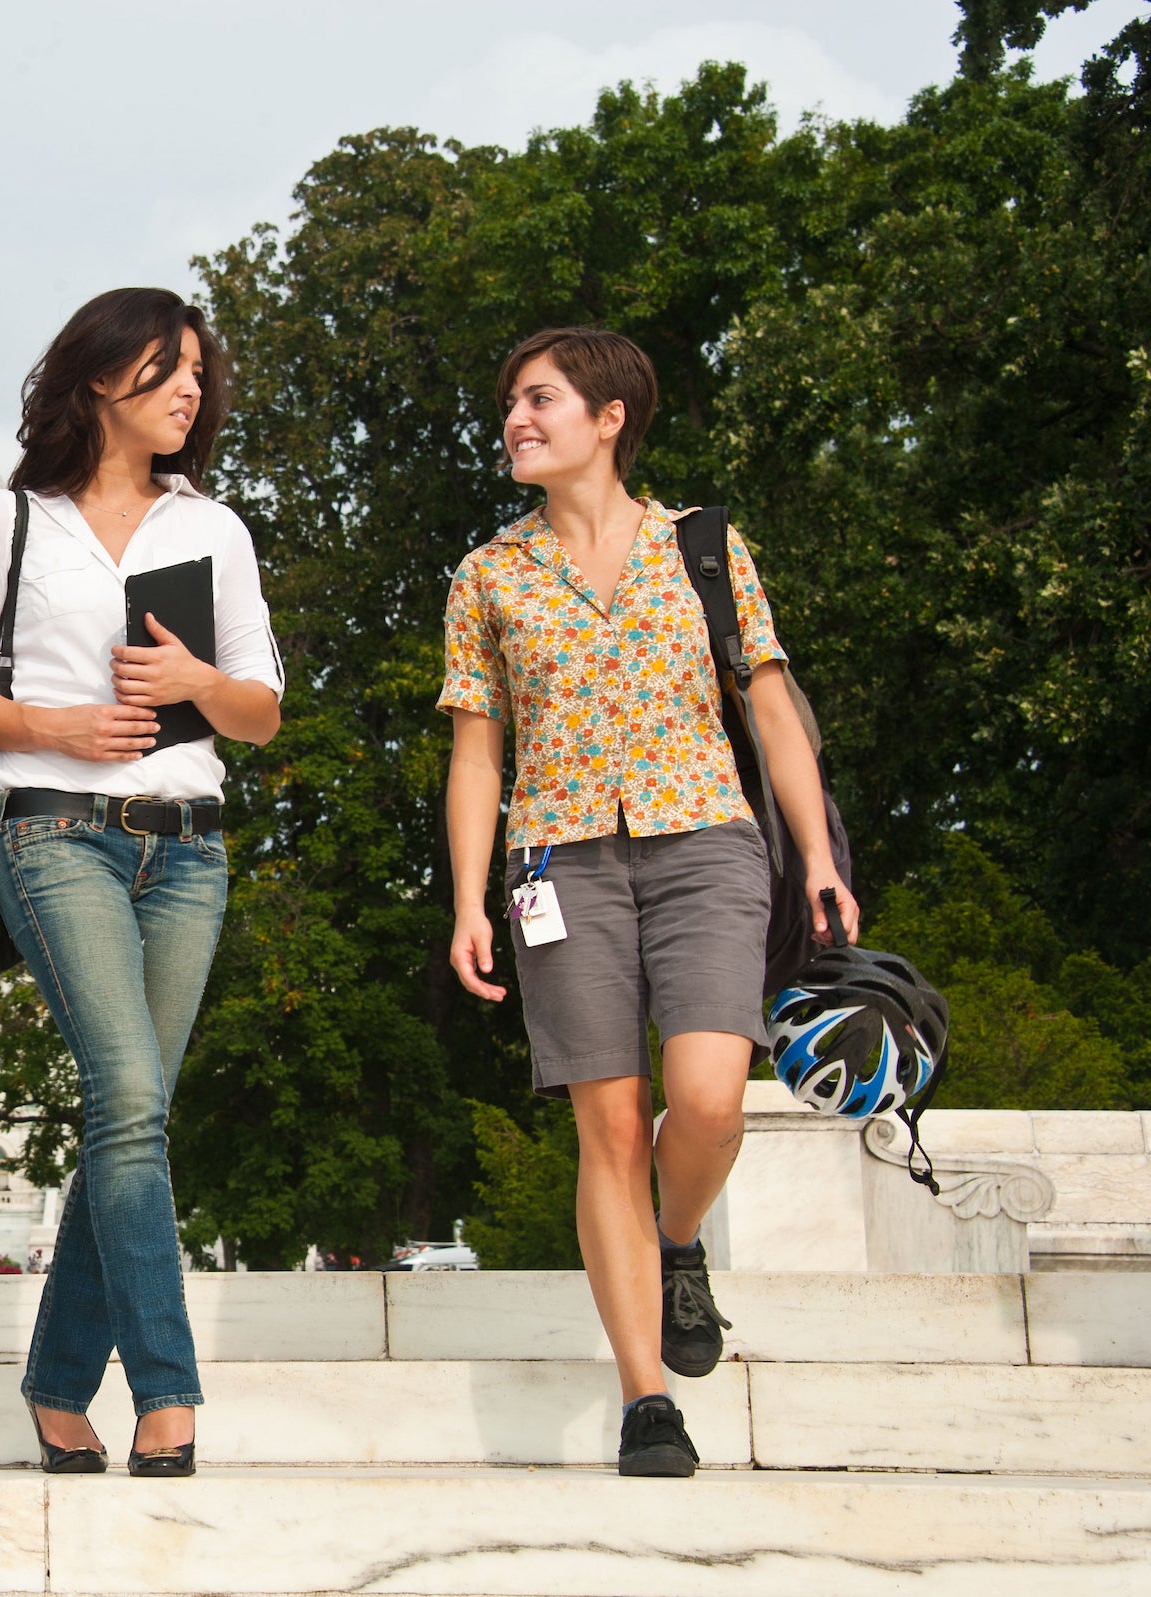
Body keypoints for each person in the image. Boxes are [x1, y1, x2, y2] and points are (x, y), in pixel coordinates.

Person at [438, 326, 857, 1478]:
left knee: (710, 1098)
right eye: (512, 403)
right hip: (555, 862)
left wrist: (818, 858)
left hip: (707, 845)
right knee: (610, 1124)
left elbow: (770, 709)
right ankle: (646, 1399)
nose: (516, 420)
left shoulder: (705, 548)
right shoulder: (488, 576)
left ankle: (678, 1240)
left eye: (540, 399)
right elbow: (479, 751)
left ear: (609, 417)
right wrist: (470, 897)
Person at [0, 288, 283, 1478]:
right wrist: (57, 727)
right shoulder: (7, 525)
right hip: (52, 833)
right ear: (96, 382)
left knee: (133, 1117)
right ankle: (170, 1394)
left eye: (198, 373)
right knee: (127, 1098)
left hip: (191, 846)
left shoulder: (215, 531)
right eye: (166, 369)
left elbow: (260, 711)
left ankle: (58, 1385)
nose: (191, 390)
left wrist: (192, 674)